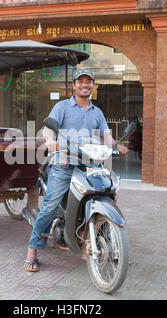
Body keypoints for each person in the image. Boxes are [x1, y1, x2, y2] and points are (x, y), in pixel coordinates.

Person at [24, 67, 128, 272]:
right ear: (74, 85)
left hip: (89, 164)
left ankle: (101, 244)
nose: (84, 85)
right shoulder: (62, 107)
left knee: (103, 195)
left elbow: (105, 136)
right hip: (64, 164)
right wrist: (51, 140)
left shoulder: (96, 111)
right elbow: (48, 128)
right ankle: (32, 251)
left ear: (92, 86)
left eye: (88, 81)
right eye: (80, 81)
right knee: (50, 207)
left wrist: (116, 146)